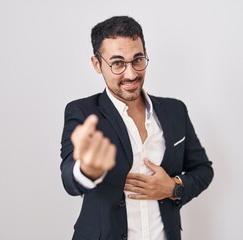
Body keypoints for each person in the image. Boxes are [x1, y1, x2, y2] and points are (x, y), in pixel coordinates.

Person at [60, 16, 213, 240]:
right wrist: (88, 169)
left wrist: (173, 187)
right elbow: (69, 179)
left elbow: (203, 169)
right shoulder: (82, 112)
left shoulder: (175, 110)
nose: (131, 74)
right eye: (118, 63)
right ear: (97, 64)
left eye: (137, 60)